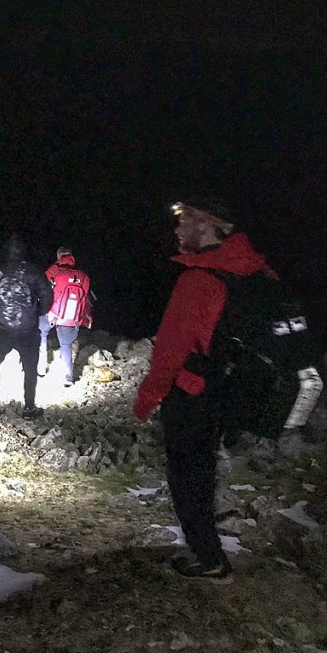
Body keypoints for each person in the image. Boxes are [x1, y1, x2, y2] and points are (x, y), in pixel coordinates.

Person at [134, 199, 277, 583]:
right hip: (230, 391)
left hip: (193, 393)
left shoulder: (199, 279)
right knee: (205, 469)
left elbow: (170, 349)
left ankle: (209, 559)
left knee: (187, 475)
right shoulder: (252, 271)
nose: (177, 229)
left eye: (184, 220)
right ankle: (208, 549)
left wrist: (148, 398)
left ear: (208, 223)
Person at [0, 234, 53, 418]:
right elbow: (48, 299)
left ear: (5, 251)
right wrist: (35, 312)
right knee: (30, 368)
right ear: (23, 251)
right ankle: (29, 407)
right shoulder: (33, 271)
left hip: (3, 329)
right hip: (28, 330)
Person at [38, 246, 93, 386]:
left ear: (58, 256)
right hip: (71, 317)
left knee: (41, 334)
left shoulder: (53, 270)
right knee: (66, 344)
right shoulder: (83, 276)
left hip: (52, 313)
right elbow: (86, 299)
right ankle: (68, 376)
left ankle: (41, 367)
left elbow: (42, 290)